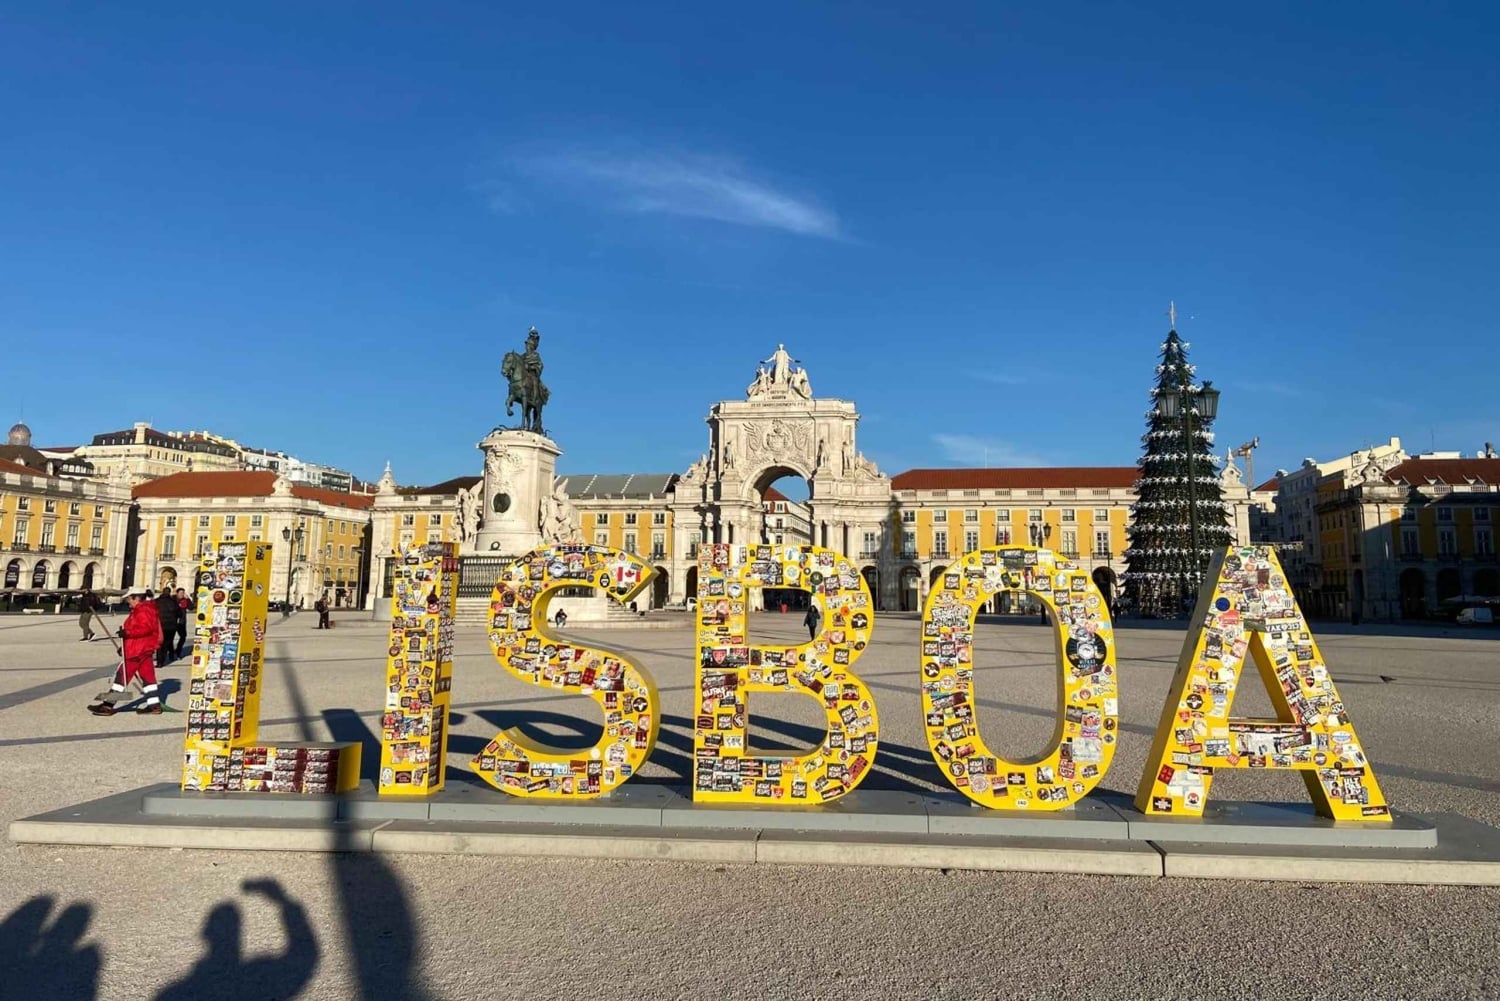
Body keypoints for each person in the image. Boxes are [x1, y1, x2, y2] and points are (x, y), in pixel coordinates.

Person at [88, 587, 163, 715]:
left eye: (129, 599)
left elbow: (145, 629)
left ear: (136, 598)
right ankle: (154, 705)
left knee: (121, 677)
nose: (128, 602)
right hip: (144, 649)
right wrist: (124, 647)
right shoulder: (144, 609)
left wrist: (127, 633)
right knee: (148, 678)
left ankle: (107, 706)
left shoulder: (143, 610)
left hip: (137, 650)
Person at [155, 587, 182, 667]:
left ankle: (159, 662)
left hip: (160, 625)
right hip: (171, 626)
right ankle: (164, 659)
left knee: (160, 643)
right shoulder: (174, 602)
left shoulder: (157, 601)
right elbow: (180, 614)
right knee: (167, 643)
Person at [174, 587, 191, 657]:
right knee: (170, 639)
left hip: (182, 622)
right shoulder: (173, 599)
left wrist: (188, 599)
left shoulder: (185, 600)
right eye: (180, 593)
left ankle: (178, 650)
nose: (182, 594)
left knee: (183, 637)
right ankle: (171, 652)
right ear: (177, 593)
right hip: (173, 621)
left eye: (183, 593)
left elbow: (191, 607)